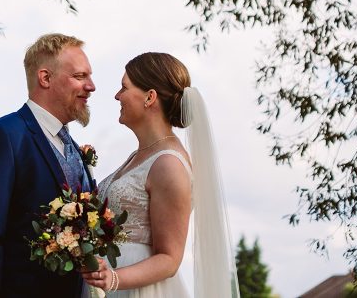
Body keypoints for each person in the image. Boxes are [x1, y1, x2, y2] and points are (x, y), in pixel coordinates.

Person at [82, 52, 240, 298]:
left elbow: (169, 259)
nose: (117, 96)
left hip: (140, 291)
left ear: (149, 97)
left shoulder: (169, 164)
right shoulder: (141, 155)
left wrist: (114, 278)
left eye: (124, 87)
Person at [0, 33, 96, 297]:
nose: (91, 86)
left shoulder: (77, 151)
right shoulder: (3, 137)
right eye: (80, 77)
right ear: (45, 78)